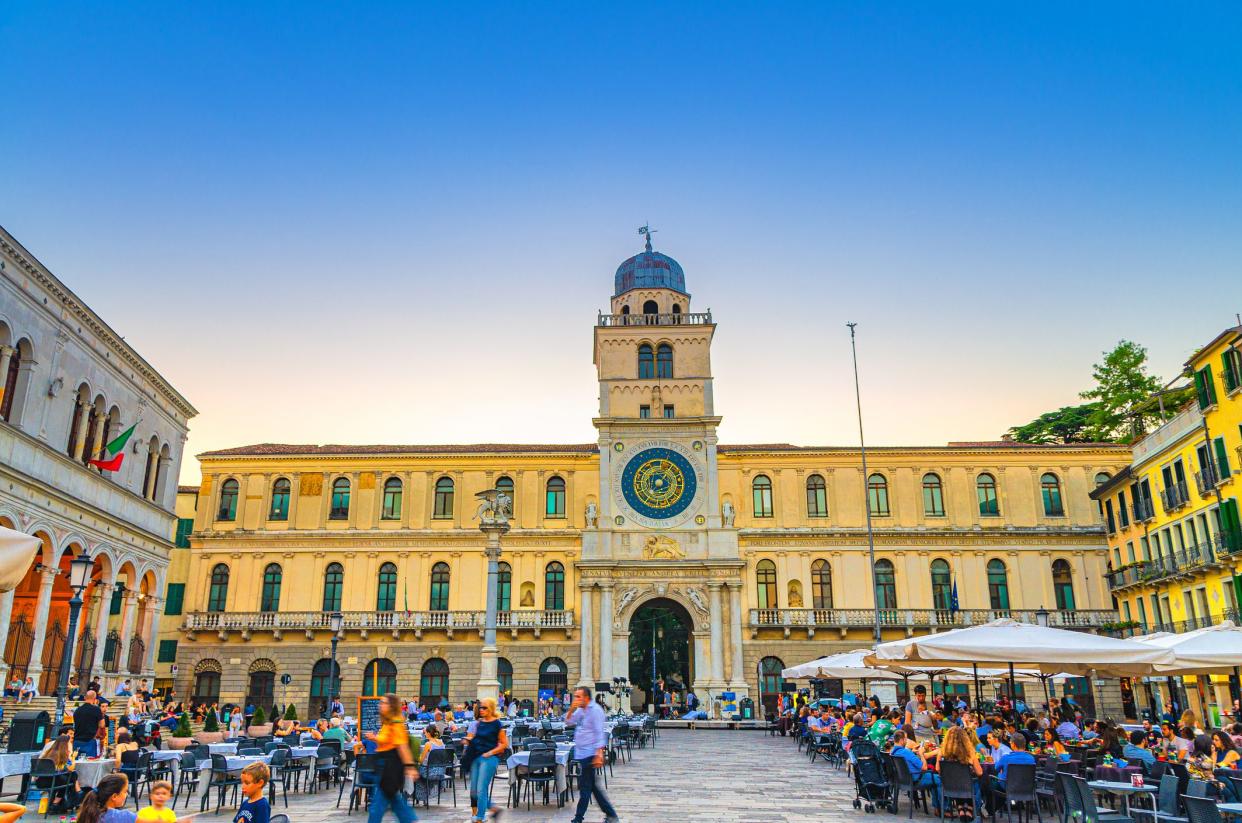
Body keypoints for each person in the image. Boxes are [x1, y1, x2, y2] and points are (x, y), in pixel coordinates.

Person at [363, 694, 418, 823]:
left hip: (390, 765)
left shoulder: (396, 723)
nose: (380, 705)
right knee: (395, 801)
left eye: (384, 703)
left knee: (377, 806)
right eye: (381, 703)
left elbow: (402, 746)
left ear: (392, 706)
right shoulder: (388, 722)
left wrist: (410, 766)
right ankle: (410, 820)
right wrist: (375, 738)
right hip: (383, 764)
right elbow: (387, 741)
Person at [567, 686, 618, 823]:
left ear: (586, 697)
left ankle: (578, 819)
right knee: (593, 788)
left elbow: (599, 733)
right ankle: (611, 815)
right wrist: (572, 708)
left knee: (585, 787)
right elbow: (568, 721)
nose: (576, 699)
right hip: (581, 753)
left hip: (590, 753)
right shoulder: (580, 710)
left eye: (578, 696)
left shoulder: (595, 710)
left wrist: (599, 753)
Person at [462, 696, 507, 822]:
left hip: (489, 758)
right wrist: (468, 740)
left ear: (491, 709)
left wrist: (491, 752)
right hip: (477, 757)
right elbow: (478, 739)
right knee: (474, 792)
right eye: (480, 707)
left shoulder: (497, 723)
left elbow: (504, 744)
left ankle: (480, 817)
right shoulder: (480, 723)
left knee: (482, 789)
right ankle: (494, 809)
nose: (481, 710)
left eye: (484, 707)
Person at [889, 729, 941, 814]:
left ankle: (937, 808)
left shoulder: (893, 752)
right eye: (906, 739)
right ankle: (942, 808)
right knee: (940, 780)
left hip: (903, 780)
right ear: (902, 740)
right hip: (917, 778)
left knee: (934, 781)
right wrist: (921, 754)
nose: (907, 740)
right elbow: (924, 767)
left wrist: (912, 752)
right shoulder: (906, 752)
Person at [939, 725, 984, 817]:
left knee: (956, 779)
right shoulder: (970, 753)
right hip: (967, 786)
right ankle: (971, 808)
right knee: (979, 780)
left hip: (949, 786)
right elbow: (979, 772)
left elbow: (938, 770)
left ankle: (960, 806)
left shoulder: (942, 753)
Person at [73, 690, 107, 758]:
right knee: (90, 763)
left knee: (76, 763)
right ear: (95, 699)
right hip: (90, 741)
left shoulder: (77, 710)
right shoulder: (96, 709)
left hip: (77, 740)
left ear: (85, 698)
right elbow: (102, 725)